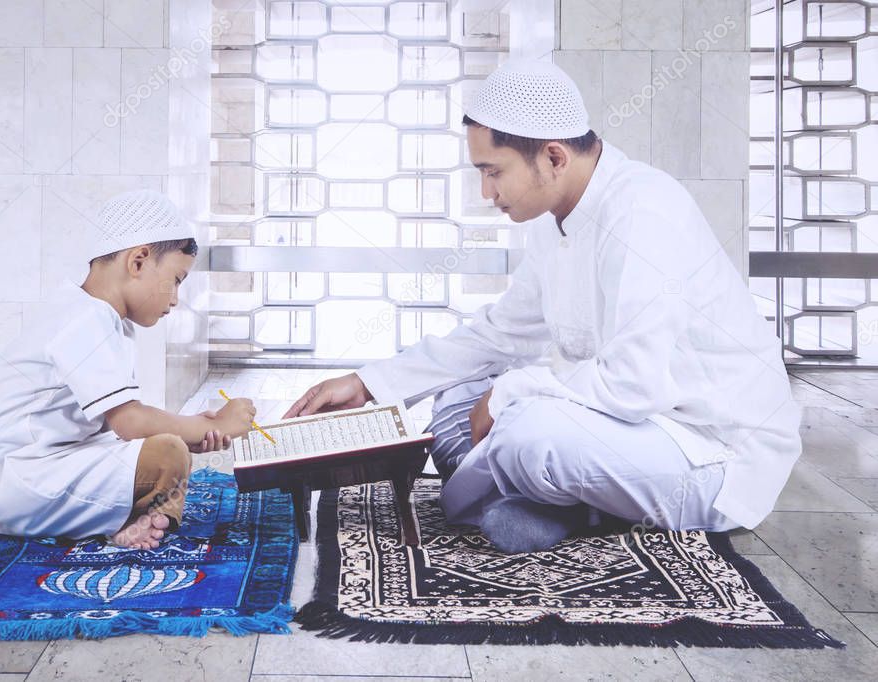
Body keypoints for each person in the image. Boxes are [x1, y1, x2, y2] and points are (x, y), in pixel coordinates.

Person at [285, 60, 801, 554]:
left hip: (709, 449)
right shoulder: (557, 217)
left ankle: (567, 504)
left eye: (493, 172)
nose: (486, 192)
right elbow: (500, 334)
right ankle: (564, 501)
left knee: (528, 436)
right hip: (620, 427)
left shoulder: (644, 211)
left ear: (554, 157)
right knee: (456, 400)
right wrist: (368, 383)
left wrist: (512, 391)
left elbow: (633, 385)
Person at [0, 190, 256, 550]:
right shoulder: (85, 319)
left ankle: (130, 520)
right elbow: (130, 422)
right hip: (17, 478)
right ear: (138, 262)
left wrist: (192, 431)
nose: (176, 298)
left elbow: (115, 426)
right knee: (168, 454)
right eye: (176, 280)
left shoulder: (96, 316)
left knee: (169, 448)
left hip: (42, 464)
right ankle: (132, 520)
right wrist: (211, 425)